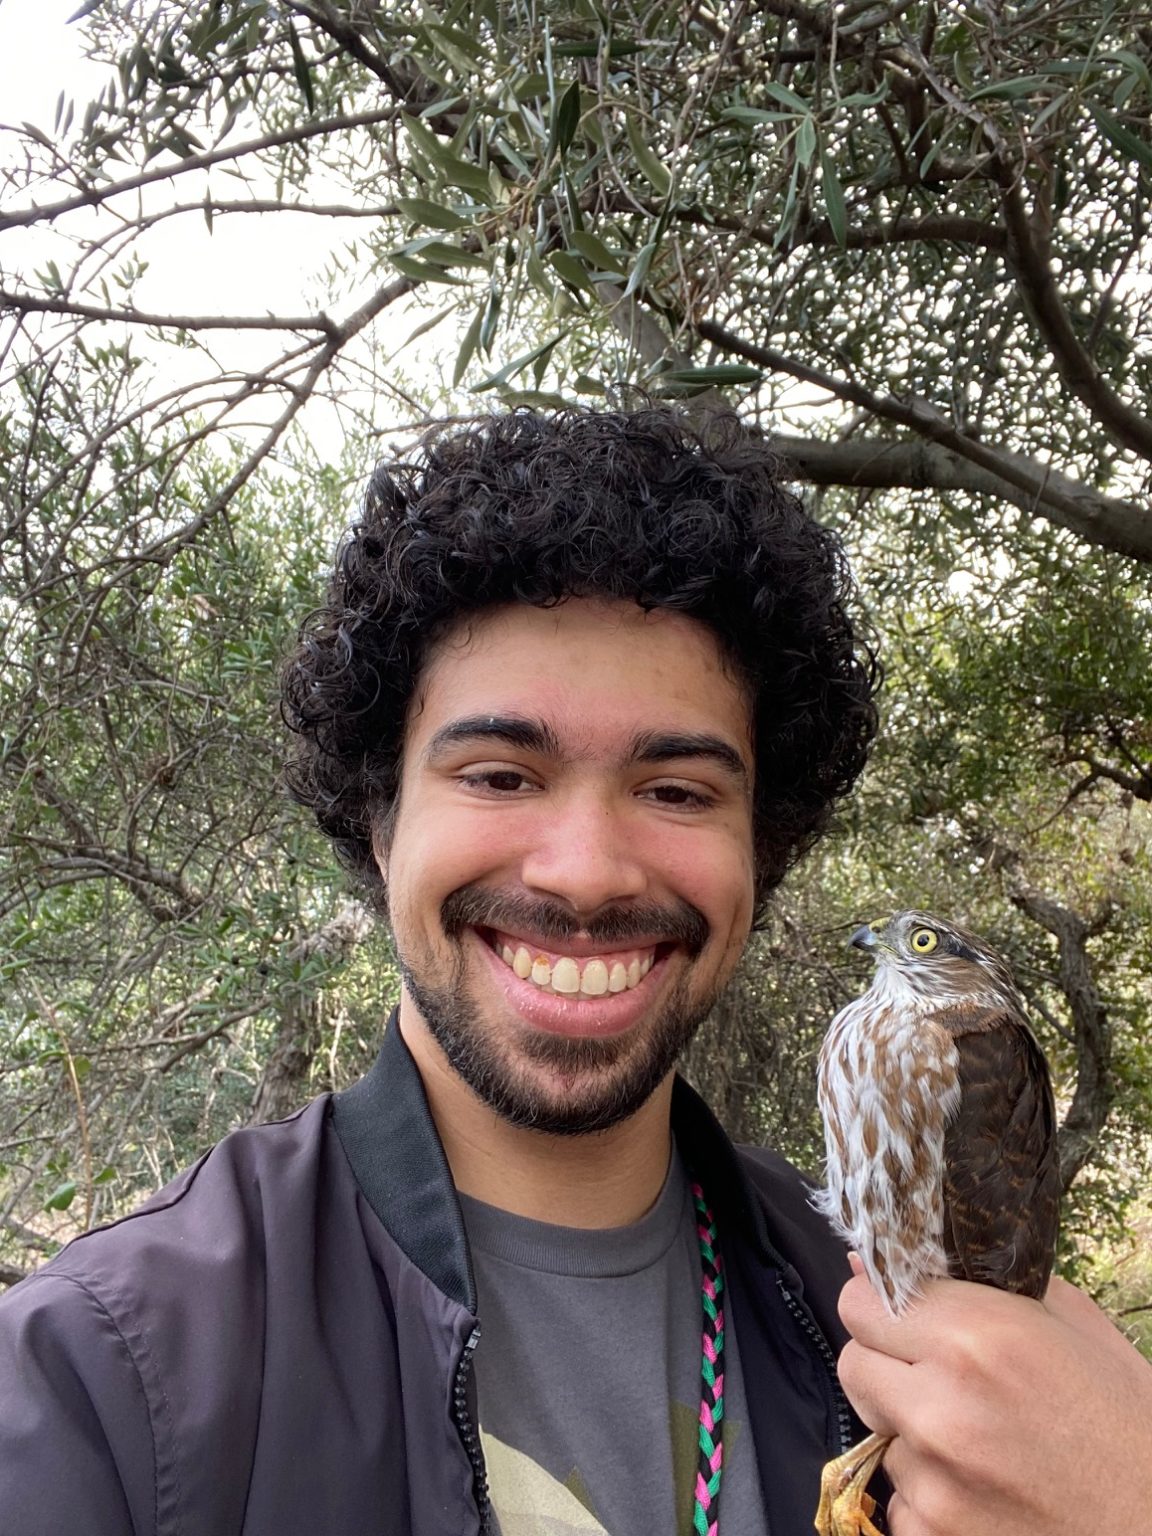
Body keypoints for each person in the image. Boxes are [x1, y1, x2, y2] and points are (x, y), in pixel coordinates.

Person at [0, 407, 1148, 1536]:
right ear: (381, 825)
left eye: (677, 791)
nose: (588, 873)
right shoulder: (106, 1377)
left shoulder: (892, 1313)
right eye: (500, 775)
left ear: (761, 852)